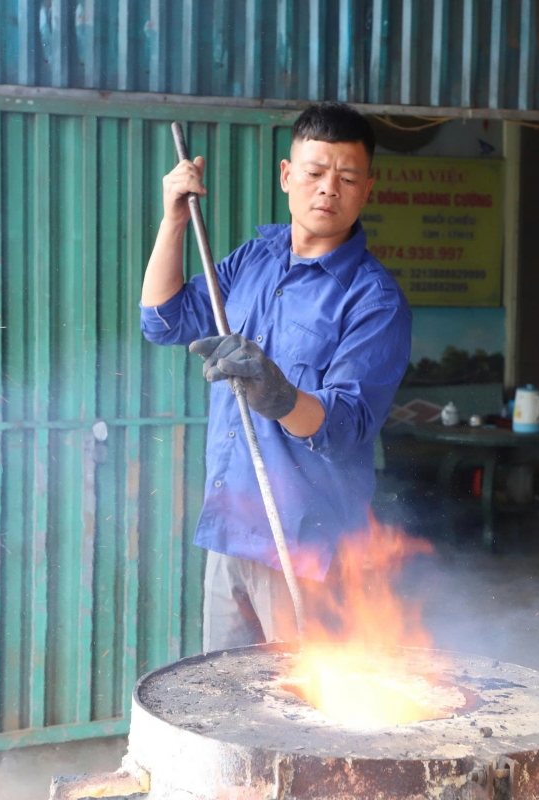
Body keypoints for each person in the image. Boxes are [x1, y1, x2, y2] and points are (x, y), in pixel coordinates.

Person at [139, 102, 412, 651]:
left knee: (302, 720)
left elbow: (346, 424)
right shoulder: (253, 261)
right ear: (288, 176)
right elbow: (161, 319)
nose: (328, 189)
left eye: (347, 177)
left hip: (310, 551)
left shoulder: (374, 301)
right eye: (314, 173)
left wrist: (280, 394)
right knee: (228, 713)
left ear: (367, 190)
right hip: (232, 533)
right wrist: (172, 219)